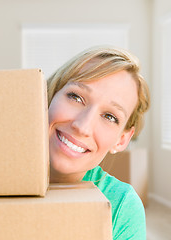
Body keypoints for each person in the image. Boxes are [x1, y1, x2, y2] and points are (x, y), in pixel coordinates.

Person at [47, 46, 150, 239]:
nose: (83, 126)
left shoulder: (121, 207)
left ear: (122, 140)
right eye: (76, 97)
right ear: (49, 96)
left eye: (110, 117)